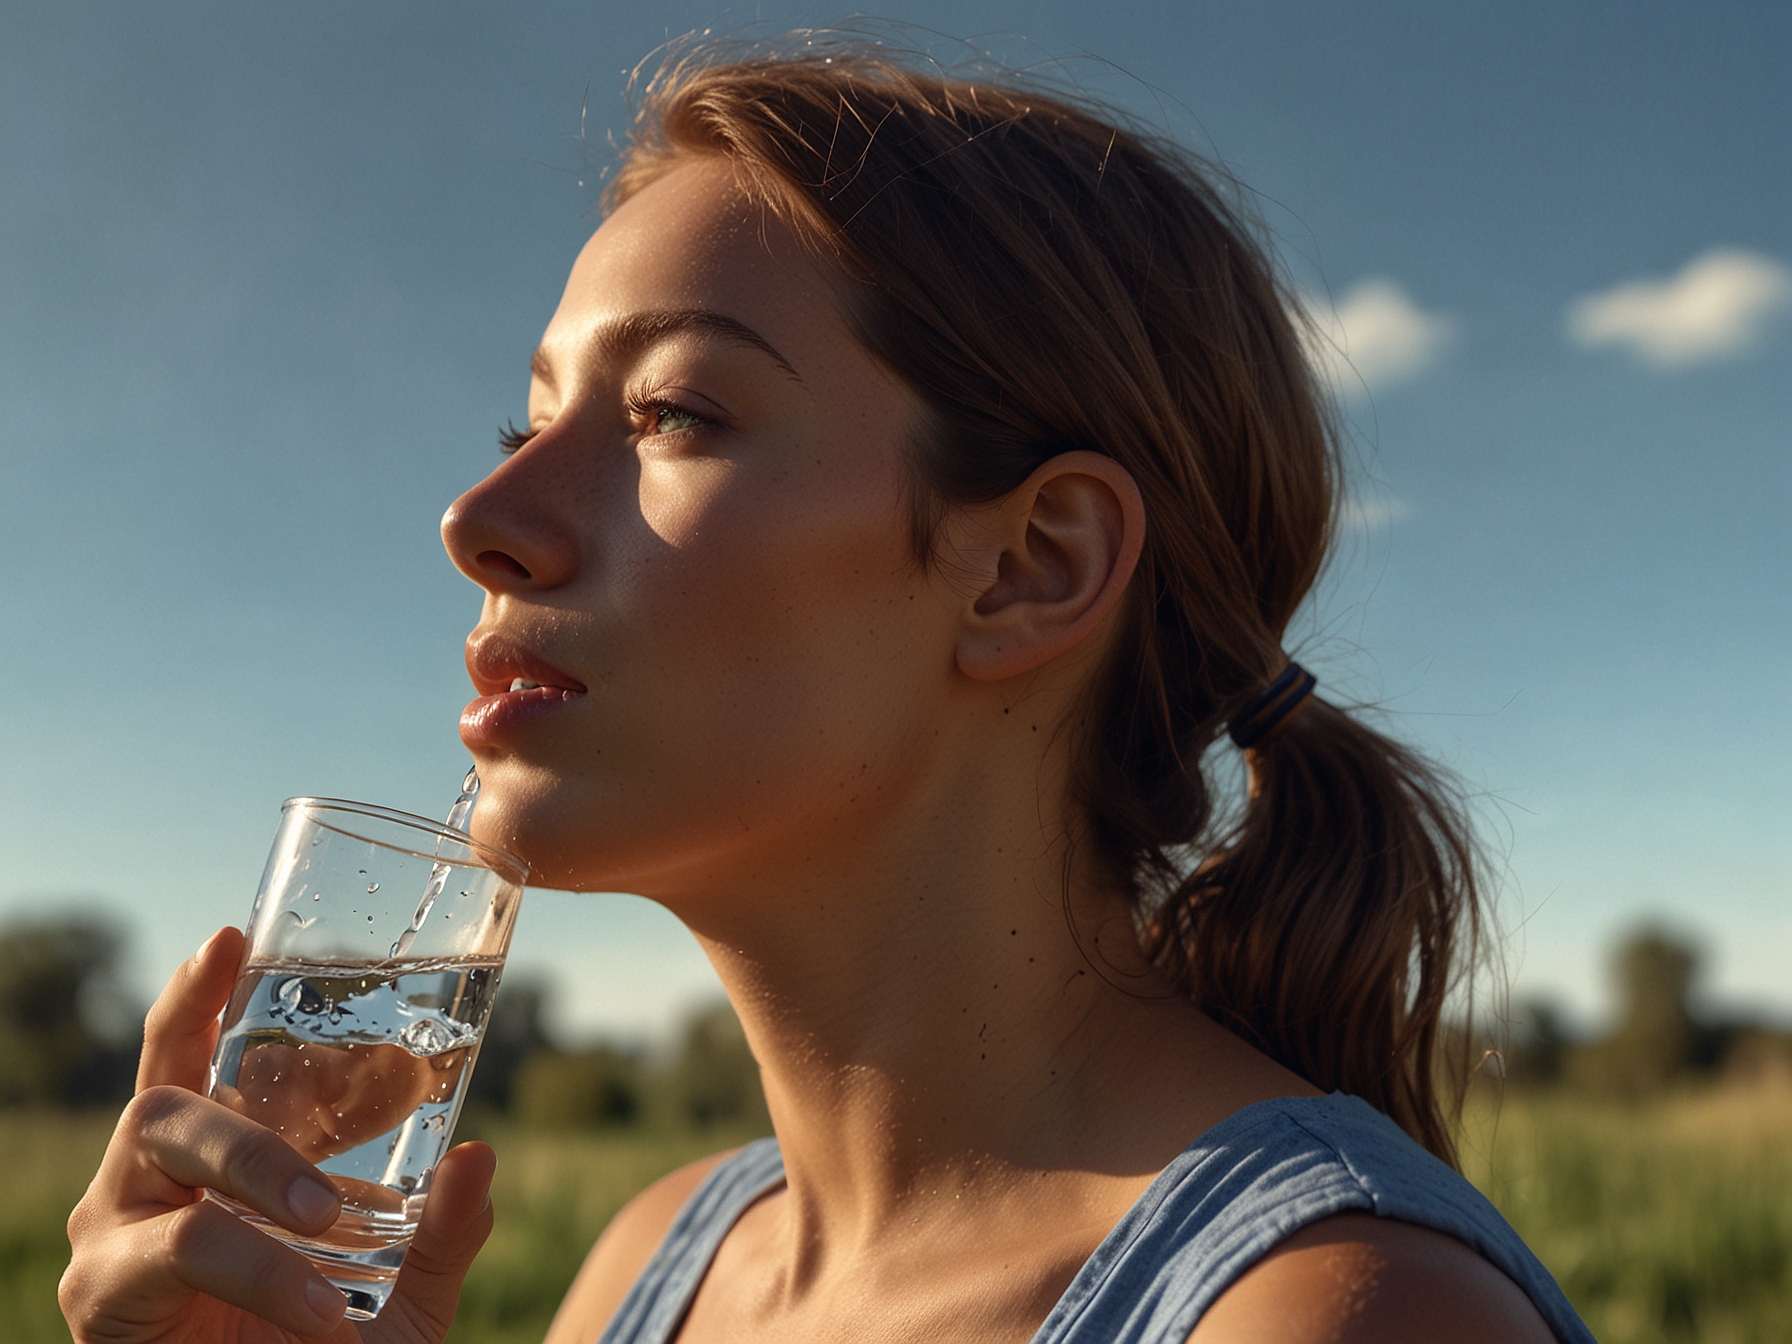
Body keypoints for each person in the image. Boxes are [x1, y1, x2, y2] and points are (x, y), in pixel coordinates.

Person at [61, 41, 1595, 1344]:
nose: (482, 519)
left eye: (673, 411)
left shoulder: (1329, 1312)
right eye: (526, 420)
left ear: (1029, 567)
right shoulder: (654, 1271)